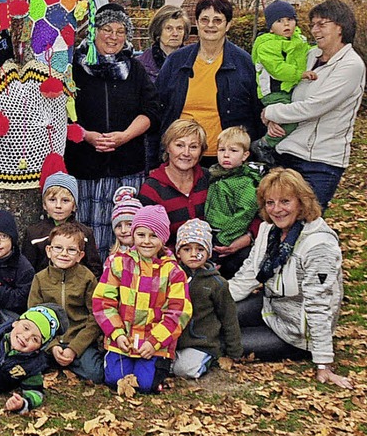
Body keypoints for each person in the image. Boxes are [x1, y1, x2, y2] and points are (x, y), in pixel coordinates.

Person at [229, 168, 353, 389]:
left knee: (228, 342)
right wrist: (209, 302)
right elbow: (249, 274)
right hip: (272, 307)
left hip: (296, 331)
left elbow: (319, 304)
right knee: (220, 316)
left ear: (301, 202)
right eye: (270, 203)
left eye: (285, 201)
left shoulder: (319, 245)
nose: (277, 210)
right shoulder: (269, 229)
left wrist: (323, 362)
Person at [65, 3, 158, 261]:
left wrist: (125, 135)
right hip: (85, 165)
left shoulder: (135, 69)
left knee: (125, 233)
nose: (113, 37)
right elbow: (60, 110)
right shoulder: (74, 67)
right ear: (94, 31)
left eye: (120, 31)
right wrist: (85, 135)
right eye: (107, 29)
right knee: (87, 233)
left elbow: (151, 111)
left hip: (126, 166)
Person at [262, 0, 365, 210]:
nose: (314, 30)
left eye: (321, 24)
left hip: (321, 161)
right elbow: (287, 91)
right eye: (312, 25)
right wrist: (273, 120)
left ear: (340, 27)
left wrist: (271, 111)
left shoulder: (351, 65)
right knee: (278, 219)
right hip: (288, 152)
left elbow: (314, 107)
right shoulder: (310, 56)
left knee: (306, 224)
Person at [93, 205, 192, 393]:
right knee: (115, 379)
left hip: (154, 343)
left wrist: (155, 341)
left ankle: (160, 367)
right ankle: (115, 357)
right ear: (133, 235)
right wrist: (117, 333)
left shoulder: (173, 272)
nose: (146, 241)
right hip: (123, 340)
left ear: (163, 239)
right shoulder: (119, 263)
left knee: (145, 384)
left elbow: (179, 312)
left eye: (153, 236)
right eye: (141, 235)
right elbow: (103, 301)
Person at [156, 0, 262, 165]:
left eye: (217, 20)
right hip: (181, 157)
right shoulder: (176, 61)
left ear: (228, 25)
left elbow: (256, 110)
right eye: (204, 19)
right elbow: (158, 107)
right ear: (196, 24)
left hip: (226, 160)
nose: (210, 25)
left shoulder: (243, 62)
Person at [28, 222, 104, 383]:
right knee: (28, 366)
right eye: (58, 248)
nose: (64, 254)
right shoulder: (40, 279)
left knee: (95, 374)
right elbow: (33, 314)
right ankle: (55, 358)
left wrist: (74, 349)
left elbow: (95, 317)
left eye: (71, 250)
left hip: (78, 339)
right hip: (48, 340)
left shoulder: (87, 278)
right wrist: (52, 345)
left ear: (80, 255)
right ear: (49, 251)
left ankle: (70, 359)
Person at [172, 219, 242, 379]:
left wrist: (234, 351)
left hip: (202, 342)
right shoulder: (172, 276)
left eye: (200, 249)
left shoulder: (217, 284)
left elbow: (229, 317)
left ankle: (209, 359)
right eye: (187, 249)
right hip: (174, 339)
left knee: (184, 370)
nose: (194, 254)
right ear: (178, 253)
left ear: (209, 253)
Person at [250, 0, 317, 165]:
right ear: (271, 27)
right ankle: (263, 145)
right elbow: (277, 69)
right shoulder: (267, 45)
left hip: (289, 89)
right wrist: (300, 74)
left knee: (290, 121)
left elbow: (307, 54)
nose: (286, 24)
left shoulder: (298, 40)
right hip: (274, 92)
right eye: (279, 21)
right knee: (291, 120)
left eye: (290, 19)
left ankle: (274, 147)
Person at [138, 119, 210, 247]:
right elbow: (145, 238)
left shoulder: (208, 179)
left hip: (209, 257)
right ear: (167, 147)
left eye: (193, 147)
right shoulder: (152, 188)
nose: (186, 153)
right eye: (179, 145)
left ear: (201, 151)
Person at [205, 127, 264, 279]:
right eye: (221, 149)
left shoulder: (245, 183)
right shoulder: (216, 175)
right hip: (210, 231)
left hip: (227, 236)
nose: (226, 155)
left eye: (233, 150)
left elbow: (245, 213)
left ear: (245, 155)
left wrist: (225, 238)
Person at [137, 5, 191, 171]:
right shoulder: (140, 65)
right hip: (148, 139)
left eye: (179, 28)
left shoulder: (194, 62)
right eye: (169, 28)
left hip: (183, 138)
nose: (175, 33)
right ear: (158, 31)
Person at [23, 172, 102, 278]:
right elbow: (27, 271)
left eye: (65, 200)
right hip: (45, 290)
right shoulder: (34, 234)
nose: (58, 206)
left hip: (76, 290)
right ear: (44, 205)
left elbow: (95, 269)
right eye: (52, 200)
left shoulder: (85, 233)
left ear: (74, 206)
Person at [0, 210, 35, 320]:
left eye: (3, 236)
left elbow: (22, 299)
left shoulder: (23, 267)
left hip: (10, 314)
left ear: (12, 239)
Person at [108, 186, 142, 257]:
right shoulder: (113, 257)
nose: (123, 230)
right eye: (119, 226)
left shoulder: (148, 254)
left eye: (129, 225)